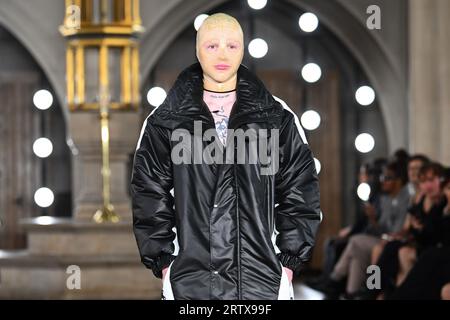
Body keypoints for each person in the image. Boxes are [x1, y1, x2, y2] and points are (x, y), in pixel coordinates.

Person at [130, 13, 321, 300]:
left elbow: (300, 188)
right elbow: (149, 193)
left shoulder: (275, 117)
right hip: (190, 280)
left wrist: (288, 262)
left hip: (262, 279)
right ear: (197, 50)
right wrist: (164, 262)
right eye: (211, 46)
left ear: (243, 49)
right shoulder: (167, 120)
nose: (222, 54)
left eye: (231, 45)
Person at [319, 161, 410, 298]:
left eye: (387, 178)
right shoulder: (385, 199)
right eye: (382, 178)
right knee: (357, 252)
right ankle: (352, 292)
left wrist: (378, 227)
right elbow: (382, 229)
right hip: (383, 239)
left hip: (393, 241)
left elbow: (397, 230)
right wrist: (373, 219)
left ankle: (337, 280)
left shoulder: (406, 198)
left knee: (358, 242)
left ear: (399, 180)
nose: (382, 181)